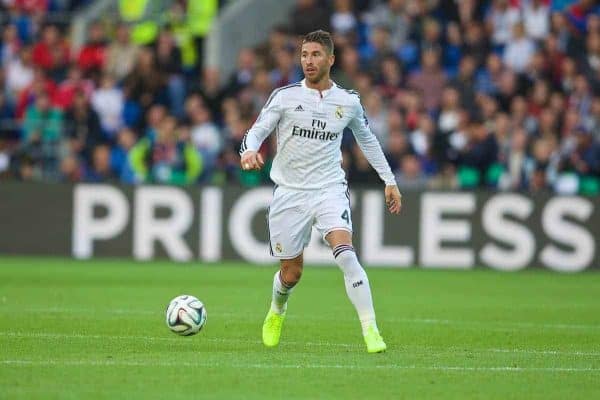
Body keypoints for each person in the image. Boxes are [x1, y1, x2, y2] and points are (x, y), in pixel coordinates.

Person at [239, 30, 402, 353]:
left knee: (346, 254)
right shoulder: (284, 97)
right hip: (290, 193)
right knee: (291, 273)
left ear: (330, 59)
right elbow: (256, 132)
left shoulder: (348, 102)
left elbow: (367, 140)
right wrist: (249, 150)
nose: (308, 61)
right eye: (304, 55)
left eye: (315, 55)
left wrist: (390, 180)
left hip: (329, 189)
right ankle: (277, 310)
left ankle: (371, 331)